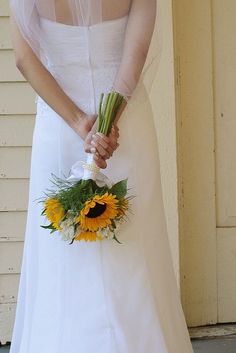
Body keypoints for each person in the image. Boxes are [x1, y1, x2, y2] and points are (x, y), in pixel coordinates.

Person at [8, 0, 194, 352]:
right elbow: (134, 56)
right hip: (125, 126)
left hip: (60, 124)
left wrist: (81, 124)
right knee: (137, 245)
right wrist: (106, 126)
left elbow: (24, 58)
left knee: (60, 252)